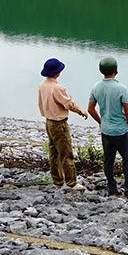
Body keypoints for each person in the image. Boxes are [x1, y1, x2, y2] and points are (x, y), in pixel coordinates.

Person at [87, 56, 128, 197]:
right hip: (121, 131)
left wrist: (100, 121)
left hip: (106, 130)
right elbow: (127, 112)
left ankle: (112, 188)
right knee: (127, 160)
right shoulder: (121, 88)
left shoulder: (96, 87)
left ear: (101, 71)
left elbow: (90, 109)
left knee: (108, 160)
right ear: (116, 70)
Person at [37, 57, 88, 190]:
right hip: (59, 124)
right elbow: (68, 103)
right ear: (57, 72)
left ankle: (57, 181)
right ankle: (71, 182)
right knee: (66, 153)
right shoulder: (57, 88)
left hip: (48, 122)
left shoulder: (42, 85)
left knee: (54, 153)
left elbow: (40, 103)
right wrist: (80, 111)